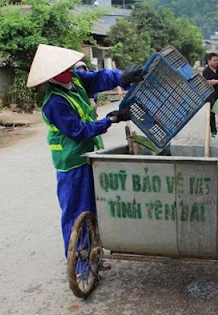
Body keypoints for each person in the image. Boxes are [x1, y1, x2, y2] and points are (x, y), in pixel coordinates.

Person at [26, 44, 144, 271]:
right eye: (64, 68)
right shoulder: (55, 102)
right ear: (52, 75)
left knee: (91, 206)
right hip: (71, 162)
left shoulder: (75, 80)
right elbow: (79, 130)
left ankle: (93, 255)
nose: (69, 70)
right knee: (75, 212)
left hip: (89, 155)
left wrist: (122, 76)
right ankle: (79, 263)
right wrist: (110, 120)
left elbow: (99, 78)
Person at [202, 53, 218, 137]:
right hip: (211, 96)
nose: (216, 62)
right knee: (211, 114)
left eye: (217, 60)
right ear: (209, 61)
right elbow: (207, 82)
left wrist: (216, 81)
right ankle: (213, 131)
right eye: (214, 60)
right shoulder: (206, 71)